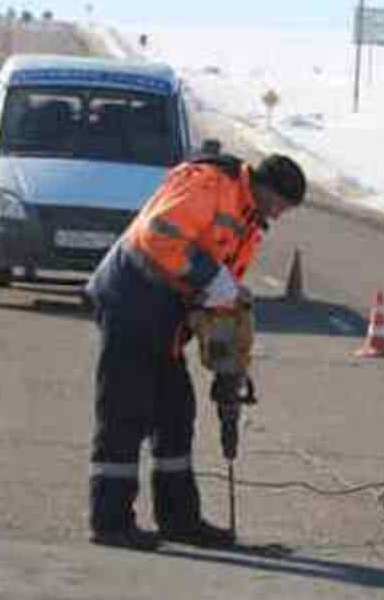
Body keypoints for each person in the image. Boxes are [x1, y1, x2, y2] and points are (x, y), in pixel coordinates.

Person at [84, 151, 307, 550]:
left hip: (166, 321)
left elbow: (220, 297)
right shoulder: (208, 184)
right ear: (262, 186)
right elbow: (159, 236)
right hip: (131, 301)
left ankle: (179, 521)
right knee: (125, 414)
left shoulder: (250, 221)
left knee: (175, 414)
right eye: (279, 205)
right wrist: (211, 275)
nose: (278, 215)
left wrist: (228, 369)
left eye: (284, 210)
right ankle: (110, 521)